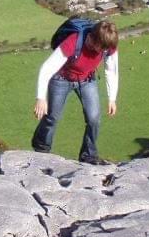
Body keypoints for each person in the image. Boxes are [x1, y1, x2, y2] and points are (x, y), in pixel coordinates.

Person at [31, 20, 119, 164]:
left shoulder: (107, 46)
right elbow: (47, 67)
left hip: (86, 80)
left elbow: (111, 70)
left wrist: (112, 98)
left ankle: (88, 155)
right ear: (93, 38)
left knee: (94, 118)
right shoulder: (73, 42)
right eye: (101, 48)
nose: (103, 51)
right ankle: (41, 149)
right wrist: (41, 98)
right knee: (52, 116)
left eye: (105, 49)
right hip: (61, 78)